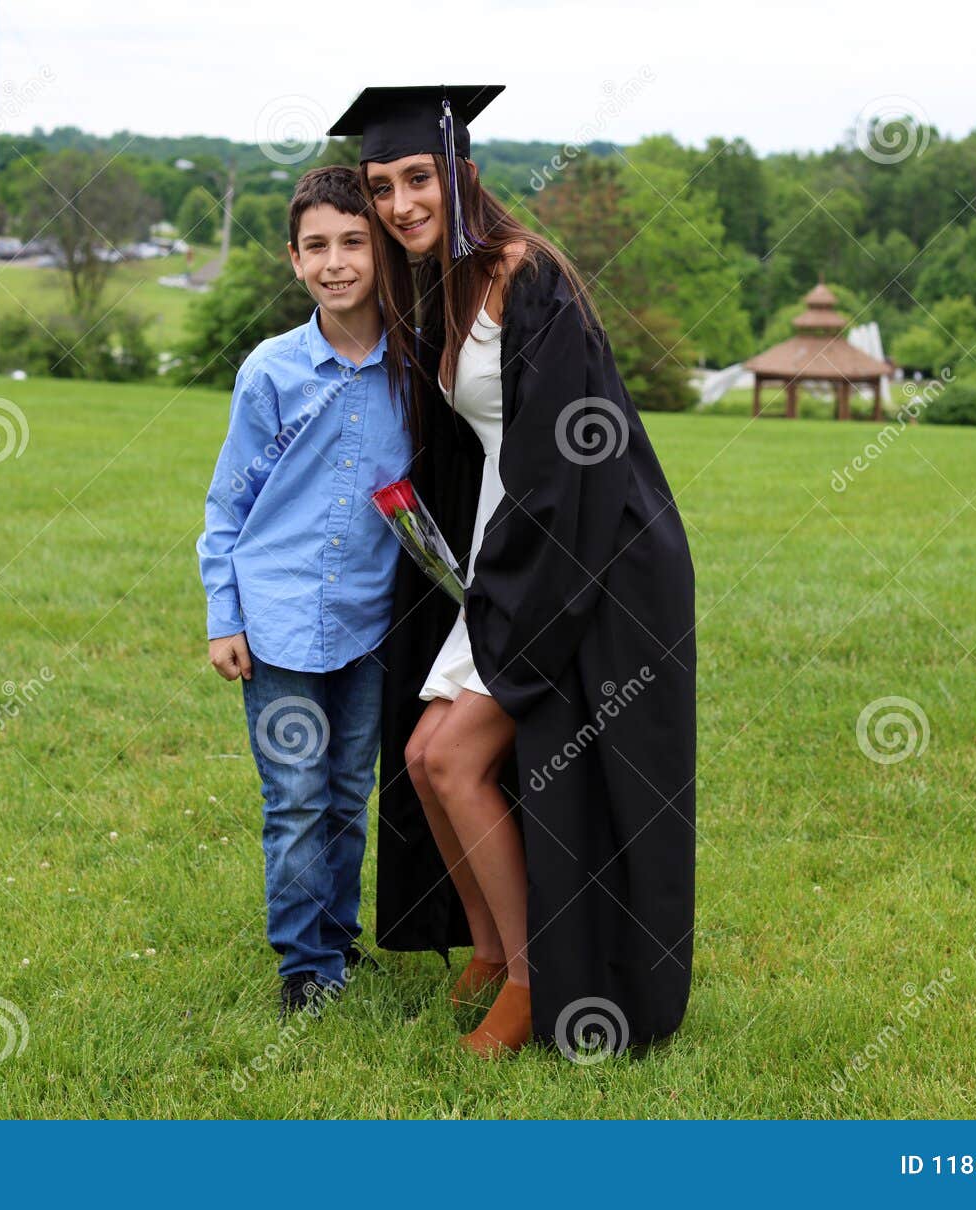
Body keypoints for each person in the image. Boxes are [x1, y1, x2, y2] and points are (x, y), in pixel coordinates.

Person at [328, 86, 698, 1058]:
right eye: (383, 187)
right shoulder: (444, 285)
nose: (402, 202)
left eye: (417, 179)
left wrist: (508, 589)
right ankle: (491, 950)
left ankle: (537, 980)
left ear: (461, 174)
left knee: (452, 758)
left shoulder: (526, 276)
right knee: (420, 757)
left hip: (583, 561)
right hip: (513, 551)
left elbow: (570, 461)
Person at [196, 166, 410, 1020]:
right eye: (317, 245)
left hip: (370, 622)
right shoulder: (271, 372)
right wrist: (225, 617)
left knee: (351, 792)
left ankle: (337, 935)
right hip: (279, 621)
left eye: (354, 242)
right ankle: (302, 967)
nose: (336, 262)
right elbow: (227, 505)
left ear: (382, 251)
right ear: (293, 260)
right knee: (294, 797)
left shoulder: (415, 367)